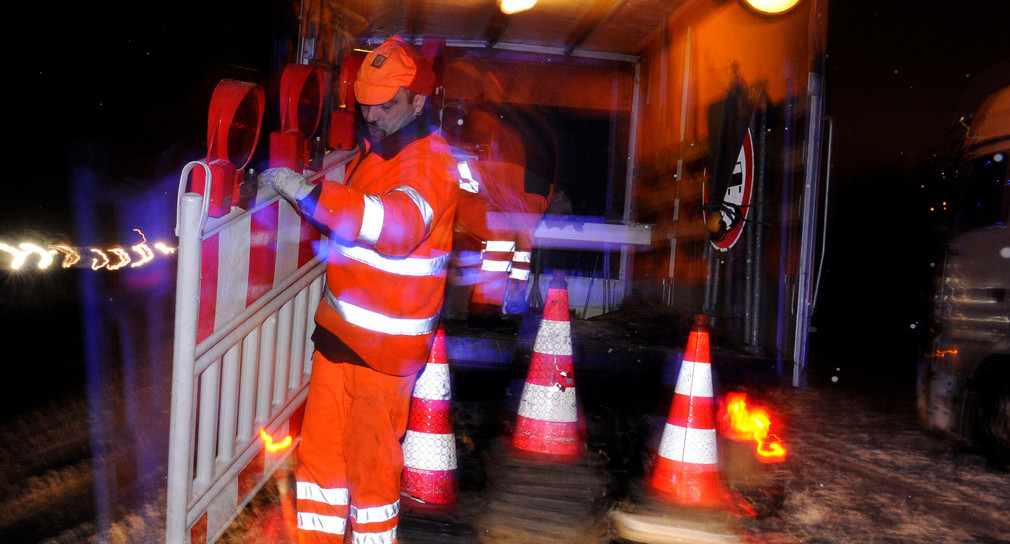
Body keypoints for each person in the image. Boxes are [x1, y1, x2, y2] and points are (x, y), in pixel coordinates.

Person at [259, 35, 459, 544]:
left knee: (371, 483)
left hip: (384, 359)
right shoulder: (377, 151)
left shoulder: (430, 163)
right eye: (365, 105)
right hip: (341, 342)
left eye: (386, 106)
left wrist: (311, 196)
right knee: (320, 470)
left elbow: (395, 227)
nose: (372, 117)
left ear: (419, 100)